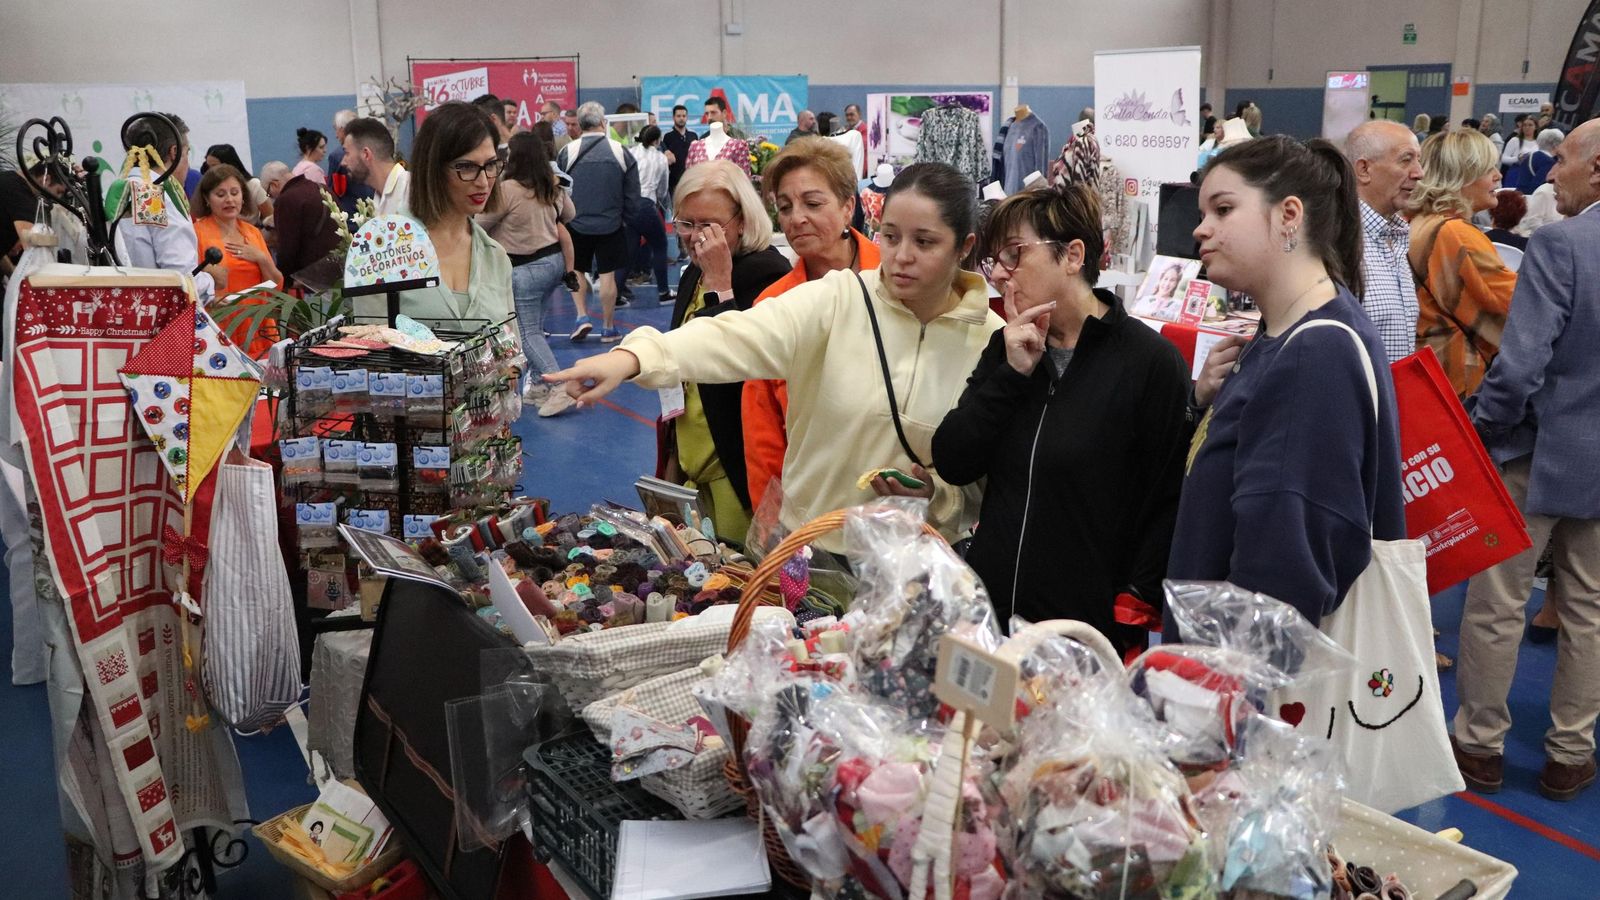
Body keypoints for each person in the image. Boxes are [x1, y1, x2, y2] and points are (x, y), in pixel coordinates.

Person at [546, 162, 1003, 546]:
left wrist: (936, 495)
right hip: (817, 554)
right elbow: (736, 336)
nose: (901, 256)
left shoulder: (991, 340)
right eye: (890, 236)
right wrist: (633, 357)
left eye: (924, 242)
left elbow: (992, 479)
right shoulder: (838, 299)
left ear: (964, 247)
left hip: (922, 563)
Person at [933, 184, 1190, 654]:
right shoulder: (1008, 346)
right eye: (995, 262)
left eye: (1015, 255)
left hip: (1086, 629)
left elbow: (1166, 500)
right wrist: (1011, 375)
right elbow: (952, 458)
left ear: (1072, 255)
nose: (1003, 277)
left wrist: (1134, 600)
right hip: (991, 616)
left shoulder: (1149, 362)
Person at [1169, 135, 1406, 630]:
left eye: (1223, 209)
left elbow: (1279, 585)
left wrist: (1214, 692)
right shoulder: (1284, 332)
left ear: (1289, 215)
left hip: (1237, 682)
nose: (1201, 229)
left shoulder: (1313, 354)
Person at [1452, 119, 1600, 803]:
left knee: (1496, 606)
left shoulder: (1561, 246)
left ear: (1596, 169)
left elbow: (1519, 368)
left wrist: (1484, 430)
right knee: (1589, 613)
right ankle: (1571, 754)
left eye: (1563, 160)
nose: (1549, 174)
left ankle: (1479, 746)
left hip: (1535, 456)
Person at [742, 138, 882, 510]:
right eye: (784, 207)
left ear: (848, 206)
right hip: (812, 510)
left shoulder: (896, 282)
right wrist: (773, 528)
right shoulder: (772, 304)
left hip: (897, 503)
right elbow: (763, 435)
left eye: (813, 203)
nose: (795, 218)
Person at [386, 101, 514, 337]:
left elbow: (511, 351)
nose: (483, 182)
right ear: (433, 168)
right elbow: (366, 348)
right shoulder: (386, 250)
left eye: (491, 165)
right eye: (466, 167)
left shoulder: (495, 257)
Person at [1407, 129, 1517, 399]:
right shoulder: (1456, 234)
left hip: (1429, 379)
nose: (1498, 175)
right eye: (1487, 168)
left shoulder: (1419, 223)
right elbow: (1516, 310)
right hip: (1457, 383)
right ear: (1459, 177)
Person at [476, 131, 578, 418]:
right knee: (537, 325)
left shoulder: (507, 189)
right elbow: (570, 215)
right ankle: (538, 387)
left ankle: (560, 384)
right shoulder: (552, 186)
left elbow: (481, 224)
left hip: (524, 270)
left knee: (527, 333)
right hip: (554, 264)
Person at [108, 113, 227, 300]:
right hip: (158, 312)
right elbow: (180, 277)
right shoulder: (152, 195)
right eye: (186, 153)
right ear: (174, 152)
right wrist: (211, 281)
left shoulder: (118, 190)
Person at [557, 101, 641, 343]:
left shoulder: (567, 152)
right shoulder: (620, 150)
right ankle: (608, 327)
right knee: (607, 276)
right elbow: (633, 192)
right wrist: (627, 220)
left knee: (577, 270)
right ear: (603, 123)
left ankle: (582, 316)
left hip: (576, 223)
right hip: (611, 224)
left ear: (580, 124)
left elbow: (558, 189)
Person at [1345, 120, 1424, 364]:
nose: (1419, 172)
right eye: (1405, 159)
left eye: (1418, 160)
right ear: (1364, 170)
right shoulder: (1339, 242)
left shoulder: (1396, 237)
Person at [192, 164, 282, 355]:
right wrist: (211, 298)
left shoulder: (252, 232)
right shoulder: (197, 233)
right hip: (219, 325)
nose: (230, 200)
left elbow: (276, 286)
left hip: (257, 324)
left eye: (235, 192)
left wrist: (261, 258)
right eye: (221, 194)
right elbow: (190, 282)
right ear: (207, 199)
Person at [271, 161, 341, 287]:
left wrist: (284, 281)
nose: (271, 197)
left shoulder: (287, 199)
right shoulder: (323, 188)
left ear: (274, 184)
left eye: (268, 193)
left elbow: (287, 247)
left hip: (309, 278)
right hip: (338, 269)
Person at [626, 125, 673, 304]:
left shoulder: (630, 152)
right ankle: (663, 293)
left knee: (629, 250)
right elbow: (663, 187)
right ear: (657, 140)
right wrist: (658, 201)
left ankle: (616, 293)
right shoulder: (660, 158)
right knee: (660, 246)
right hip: (646, 204)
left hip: (629, 205)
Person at [341, 117, 410, 216]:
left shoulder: (411, 190)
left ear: (366, 155)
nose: (343, 162)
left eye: (347, 153)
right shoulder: (377, 199)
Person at [201, 144, 273, 226]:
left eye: (234, 193)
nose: (211, 171)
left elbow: (270, 216)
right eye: (208, 166)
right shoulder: (207, 186)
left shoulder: (253, 185)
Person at [327, 108, 373, 216]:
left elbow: (332, 191)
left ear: (342, 130)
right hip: (372, 210)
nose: (336, 135)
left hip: (349, 216)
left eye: (336, 129)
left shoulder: (337, 156)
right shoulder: (370, 150)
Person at [662, 104, 698, 209]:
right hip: (674, 183)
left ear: (687, 117)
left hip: (691, 181)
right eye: (678, 116)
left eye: (683, 116)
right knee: (677, 212)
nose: (681, 118)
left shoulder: (693, 136)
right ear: (673, 118)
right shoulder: (668, 137)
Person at [1510, 128, 1562, 194]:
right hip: (1530, 198)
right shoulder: (1548, 162)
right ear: (1556, 145)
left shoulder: (1530, 156)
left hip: (1519, 194)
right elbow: (1538, 187)